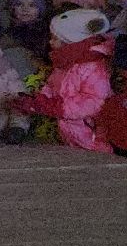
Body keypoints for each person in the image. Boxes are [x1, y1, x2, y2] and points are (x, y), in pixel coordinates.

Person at [15, 9, 115, 152]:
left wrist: (59, 107)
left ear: (71, 41)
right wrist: (39, 100)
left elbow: (94, 101)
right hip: (72, 135)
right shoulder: (65, 63)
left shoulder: (94, 66)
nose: (50, 42)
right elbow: (53, 84)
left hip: (93, 137)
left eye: (55, 38)